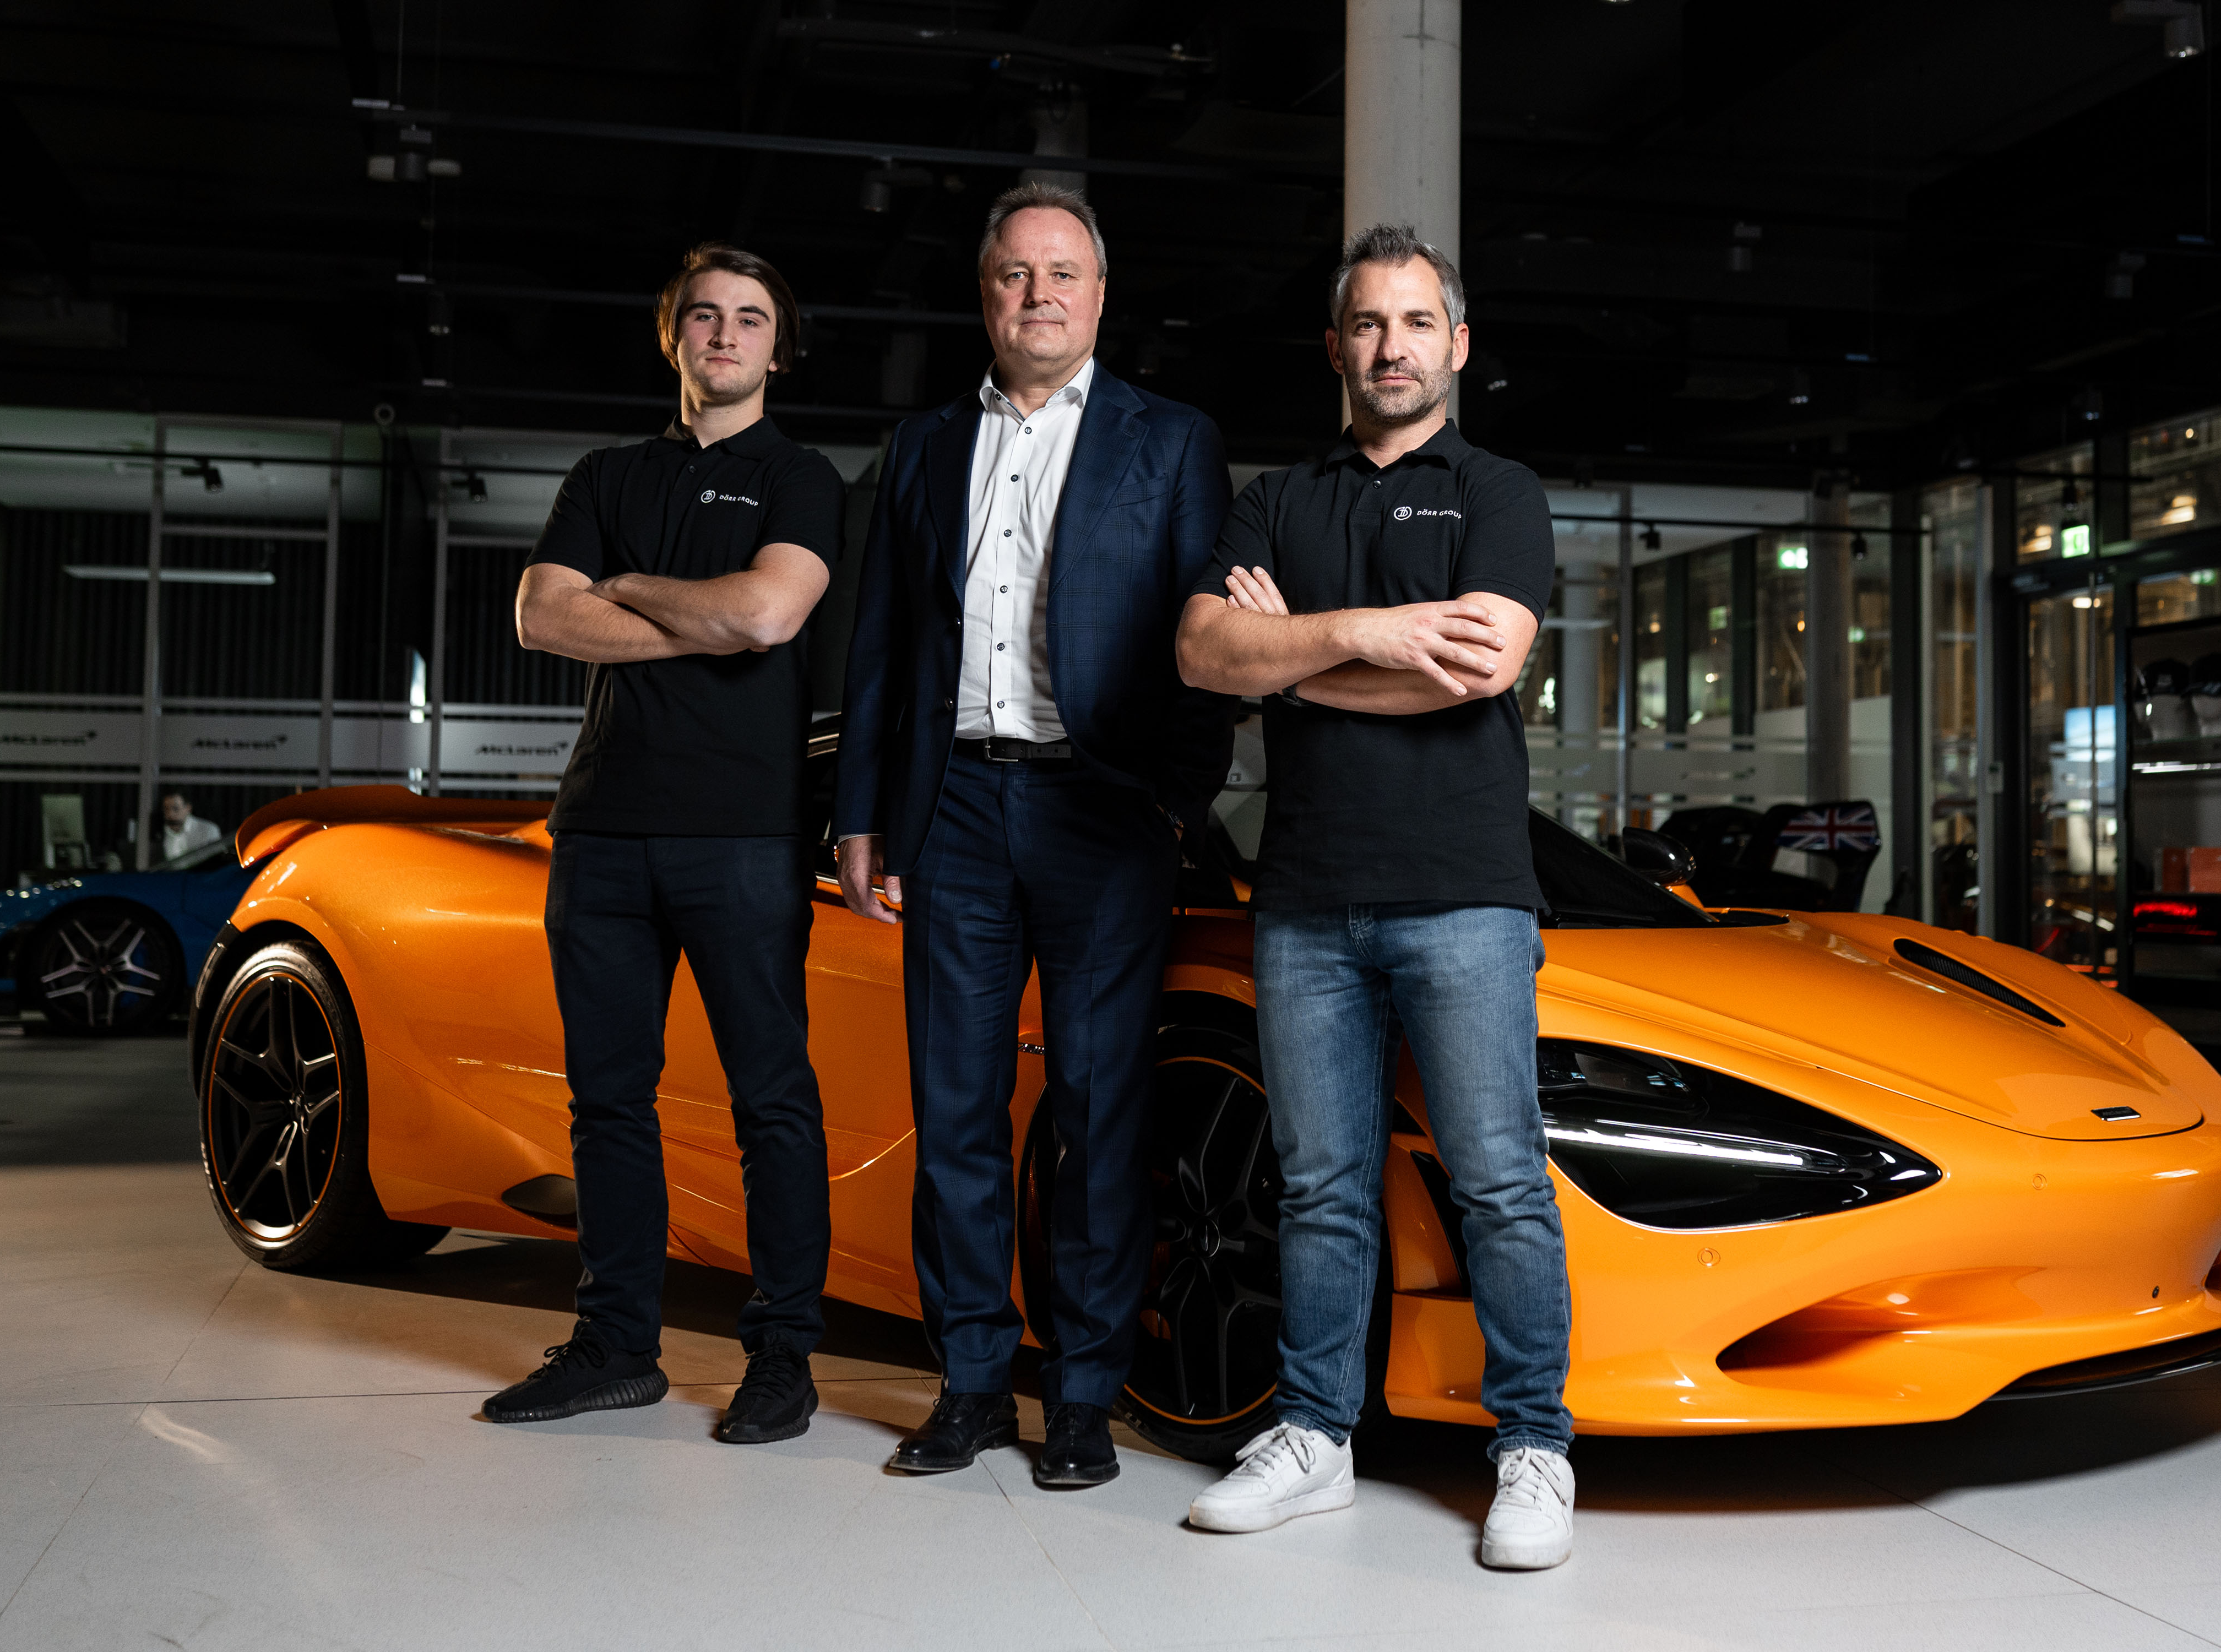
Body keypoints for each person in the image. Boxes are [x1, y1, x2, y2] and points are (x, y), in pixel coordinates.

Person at [1171, 224, 1574, 1568]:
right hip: (1304, 898)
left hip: (1464, 893)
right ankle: (1314, 1437)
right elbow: (1203, 651)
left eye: (1413, 322)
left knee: (1499, 1181)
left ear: (1454, 345)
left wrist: (1289, 656)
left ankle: (1533, 1446)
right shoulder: (1277, 498)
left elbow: (1479, 664)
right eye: (1366, 322)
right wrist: (1370, 632)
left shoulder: (1498, 490)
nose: (1389, 346)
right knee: (1319, 1186)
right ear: (1335, 346)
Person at [834, 183, 1232, 1488]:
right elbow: (883, 640)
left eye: (1062, 273)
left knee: (1096, 1107)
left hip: (1100, 810)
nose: (1038, 294)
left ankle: (1080, 1392)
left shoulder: (1170, 441)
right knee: (952, 1101)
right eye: (1015, 274)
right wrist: (862, 812)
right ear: (985, 295)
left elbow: (1208, 638)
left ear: (1100, 297)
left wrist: (1173, 798)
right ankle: (968, 1381)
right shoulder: (923, 445)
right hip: (949, 806)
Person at [485, 242, 846, 1446]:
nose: (726, 333)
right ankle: (615, 1348)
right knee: (607, 1103)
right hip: (601, 829)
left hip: (743, 834)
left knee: (771, 1102)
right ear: (673, 336)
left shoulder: (801, 478)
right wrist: (706, 615)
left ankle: (783, 1359)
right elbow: (543, 615)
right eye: (705, 315)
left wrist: (628, 586)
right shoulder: (606, 473)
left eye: (751, 318)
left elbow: (770, 611)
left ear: (777, 351)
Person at [159, 792, 222, 862]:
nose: (171, 814)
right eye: (166, 809)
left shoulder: (209, 830)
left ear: (188, 808)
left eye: (176, 809)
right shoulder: (158, 833)